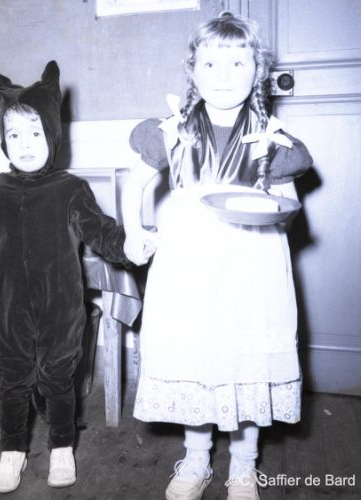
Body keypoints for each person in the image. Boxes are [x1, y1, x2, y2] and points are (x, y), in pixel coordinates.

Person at [121, 12, 313, 500]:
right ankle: (196, 458)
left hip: (252, 266)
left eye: (237, 63)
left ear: (258, 71)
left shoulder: (271, 136)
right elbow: (135, 181)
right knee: (198, 358)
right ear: (193, 71)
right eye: (210, 64)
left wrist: (279, 213)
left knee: (245, 361)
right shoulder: (173, 129)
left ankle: (244, 465)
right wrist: (134, 231)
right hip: (189, 266)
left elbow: (289, 207)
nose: (223, 75)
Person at [0, 60, 129, 493]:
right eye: (14, 135)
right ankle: (12, 450)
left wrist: (128, 248)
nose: (24, 144)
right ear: (3, 140)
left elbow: (101, 231)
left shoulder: (70, 189)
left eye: (36, 133)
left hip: (61, 307)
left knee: (59, 379)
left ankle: (62, 446)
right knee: (12, 381)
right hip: (6, 308)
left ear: (53, 136)